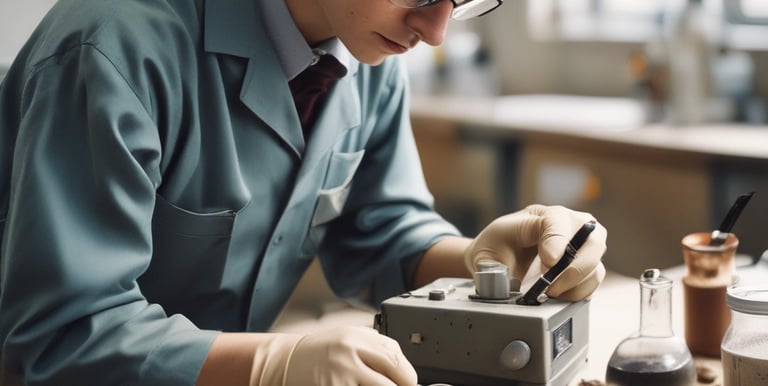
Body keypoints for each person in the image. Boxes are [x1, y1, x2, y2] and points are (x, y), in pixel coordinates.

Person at [0, 0, 607, 385]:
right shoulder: (114, 48)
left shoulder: (367, 55)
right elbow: (62, 334)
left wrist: (480, 261)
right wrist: (272, 365)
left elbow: (378, 229)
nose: (437, 31)